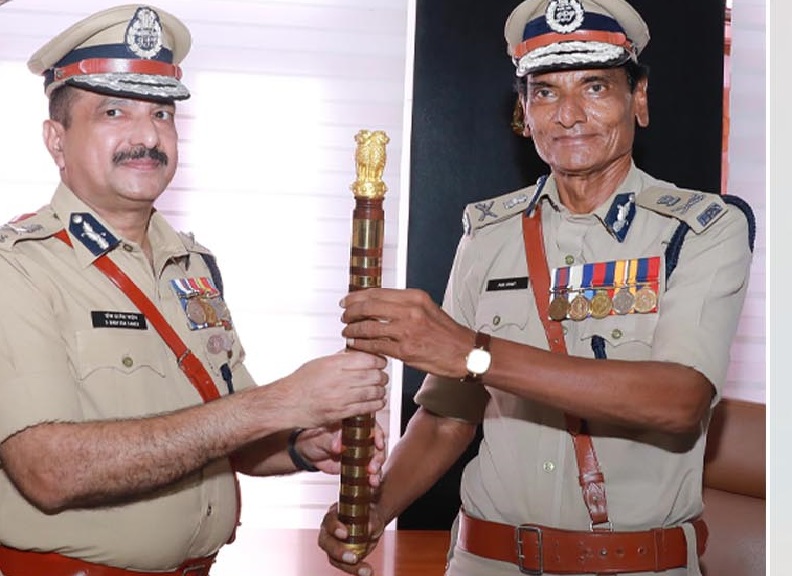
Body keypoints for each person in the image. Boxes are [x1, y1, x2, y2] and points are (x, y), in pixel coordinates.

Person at [319, 0, 755, 575]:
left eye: (595, 87)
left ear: (639, 99)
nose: (568, 115)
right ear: (524, 112)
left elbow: (679, 400)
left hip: (632, 564)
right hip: (484, 560)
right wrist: (376, 509)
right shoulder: (488, 233)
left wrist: (472, 352)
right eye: (545, 92)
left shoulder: (701, 228)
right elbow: (449, 416)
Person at [0, 5, 389, 575]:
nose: (146, 136)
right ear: (56, 141)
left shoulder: (193, 267)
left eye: (162, 113)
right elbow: (48, 471)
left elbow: (228, 431)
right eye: (114, 111)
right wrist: (283, 401)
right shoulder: (19, 269)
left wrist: (302, 442)